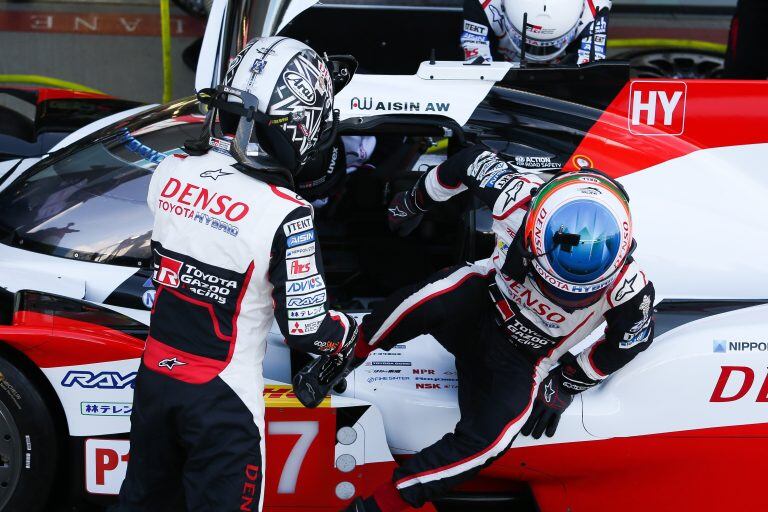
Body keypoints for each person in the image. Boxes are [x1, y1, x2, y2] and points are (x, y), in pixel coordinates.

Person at [113, 36, 360, 512]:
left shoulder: (172, 169)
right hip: (223, 403)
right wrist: (346, 331)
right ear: (298, 126)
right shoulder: (288, 214)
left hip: (156, 378)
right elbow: (307, 330)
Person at [342, 146, 655, 511]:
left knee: (495, 439)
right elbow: (465, 161)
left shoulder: (630, 288)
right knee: (425, 298)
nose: (556, 296)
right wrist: (414, 201)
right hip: (479, 303)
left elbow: (631, 340)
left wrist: (569, 380)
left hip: (524, 357)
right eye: (552, 283)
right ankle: (349, 348)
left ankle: (388, 502)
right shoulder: (515, 196)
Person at [462, 0, 612, 65]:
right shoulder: (484, 5)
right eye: (527, 43)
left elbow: (590, 72)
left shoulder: (594, 10)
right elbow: (477, 67)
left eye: (550, 45)